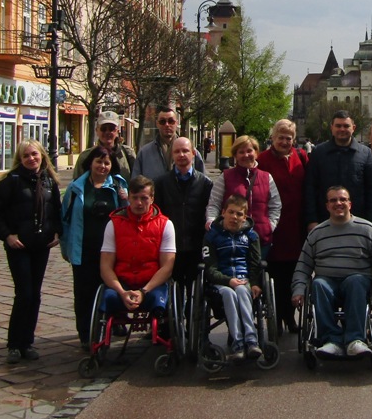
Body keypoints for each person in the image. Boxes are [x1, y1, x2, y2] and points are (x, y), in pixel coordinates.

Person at [291, 186, 372, 357]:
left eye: (342, 199)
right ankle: (331, 340)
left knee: (355, 281)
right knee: (318, 284)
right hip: (327, 282)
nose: (338, 203)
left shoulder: (368, 229)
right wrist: (298, 289)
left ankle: (355, 339)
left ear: (350, 204)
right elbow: (303, 266)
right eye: (333, 200)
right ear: (327, 206)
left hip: (358, 281)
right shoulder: (317, 233)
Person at [0, 140, 62, 364]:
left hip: (40, 245)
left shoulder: (49, 181)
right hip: (19, 245)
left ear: (42, 155)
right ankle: (15, 344)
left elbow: (56, 210)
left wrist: (57, 232)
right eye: (26, 156)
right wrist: (8, 235)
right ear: (20, 159)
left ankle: (28, 342)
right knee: (24, 294)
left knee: (36, 294)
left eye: (34, 154)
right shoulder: (10, 182)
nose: (31, 159)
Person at [61, 145, 128, 351]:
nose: (103, 166)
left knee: (111, 291)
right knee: (84, 294)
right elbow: (65, 220)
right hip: (84, 250)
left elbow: (127, 215)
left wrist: (126, 200)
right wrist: (67, 248)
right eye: (98, 161)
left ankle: (107, 331)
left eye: (107, 162)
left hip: (110, 252)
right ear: (90, 163)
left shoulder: (118, 186)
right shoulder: (76, 188)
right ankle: (86, 334)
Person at [256, 119, 309, 333]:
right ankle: (275, 317)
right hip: (274, 225)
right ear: (273, 138)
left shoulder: (302, 157)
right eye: (281, 137)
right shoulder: (262, 160)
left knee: (293, 273)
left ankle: (290, 316)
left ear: (294, 140)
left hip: (296, 224)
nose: (284, 141)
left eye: (288, 138)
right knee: (275, 274)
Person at [99, 176, 176, 319]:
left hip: (152, 284)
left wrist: (143, 291)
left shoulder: (166, 225)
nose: (139, 203)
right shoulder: (113, 224)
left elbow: (167, 267)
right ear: (128, 197)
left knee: (159, 301)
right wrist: (122, 292)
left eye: (144, 198)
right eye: (134, 198)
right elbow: (105, 266)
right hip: (122, 283)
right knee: (108, 298)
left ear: (152, 198)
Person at [204, 195, 263, 361]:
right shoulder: (212, 236)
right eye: (231, 212)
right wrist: (228, 281)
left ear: (245, 217)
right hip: (220, 282)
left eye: (239, 214)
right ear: (223, 212)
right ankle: (237, 343)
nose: (234, 217)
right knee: (230, 293)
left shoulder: (251, 236)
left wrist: (255, 283)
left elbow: (255, 264)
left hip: (243, 279)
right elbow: (210, 268)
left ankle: (251, 341)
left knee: (243, 291)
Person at [303, 111, 372, 230]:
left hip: (358, 222)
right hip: (325, 221)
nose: (342, 129)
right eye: (338, 126)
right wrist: (312, 220)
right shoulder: (319, 152)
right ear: (331, 128)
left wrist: (371, 222)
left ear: (353, 128)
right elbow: (310, 188)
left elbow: (371, 191)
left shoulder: (365, 153)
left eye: (346, 126)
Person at [153, 137, 212, 287]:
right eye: (177, 151)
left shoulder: (205, 183)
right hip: (171, 247)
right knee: (173, 292)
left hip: (196, 246)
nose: (181, 155)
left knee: (196, 290)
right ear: (172, 155)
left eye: (185, 151)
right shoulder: (161, 183)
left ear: (193, 154)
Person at [206, 135, 281, 251]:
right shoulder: (225, 177)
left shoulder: (266, 177)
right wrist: (212, 222)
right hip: (230, 241)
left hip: (260, 241)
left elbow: (275, 205)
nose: (246, 155)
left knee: (257, 269)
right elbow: (214, 204)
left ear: (256, 153)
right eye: (241, 152)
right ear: (235, 155)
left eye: (249, 151)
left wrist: (269, 227)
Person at [134, 106, 205, 181]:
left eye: (171, 121)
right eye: (162, 122)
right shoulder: (144, 153)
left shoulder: (191, 152)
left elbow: (202, 182)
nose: (167, 125)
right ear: (157, 124)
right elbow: (136, 185)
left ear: (176, 123)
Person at [73, 111, 135, 182]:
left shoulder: (128, 154)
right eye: (103, 129)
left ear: (117, 131)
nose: (107, 132)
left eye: (111, 129)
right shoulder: (85, 156)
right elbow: (77, 185)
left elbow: (136, 183)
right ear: (97, 131)